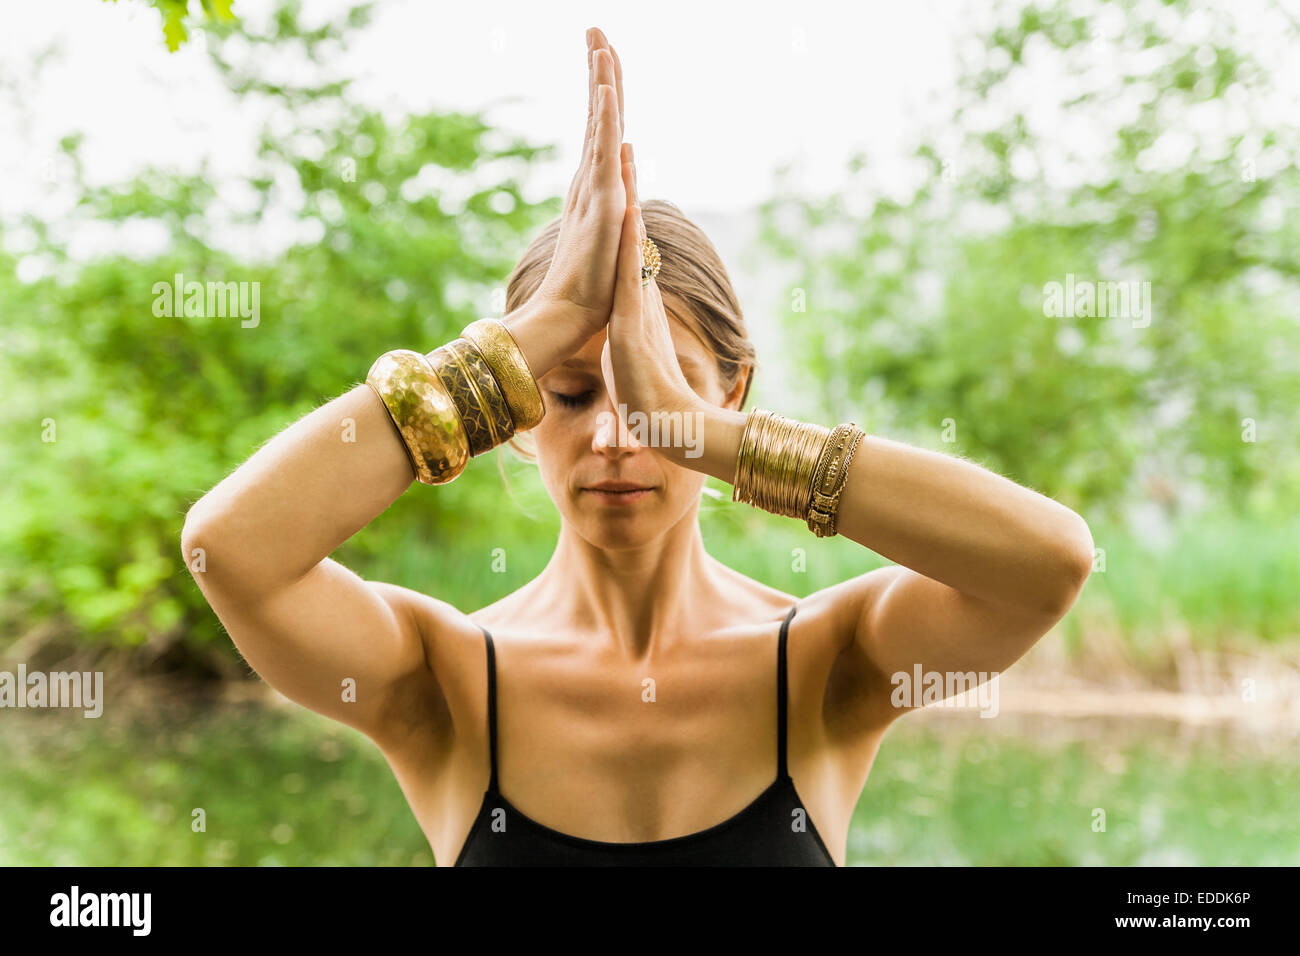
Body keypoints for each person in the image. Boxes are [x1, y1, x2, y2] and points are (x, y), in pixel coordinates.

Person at [181, 27, 1094, 866]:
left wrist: (702, 435)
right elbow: (230, 548)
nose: (617, 435)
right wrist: (534, 334)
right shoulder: (443, 676)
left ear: (731, 395)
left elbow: (1048, 562)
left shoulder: (825, 660)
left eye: (657, 396)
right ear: (519, 411)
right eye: (570, 394)